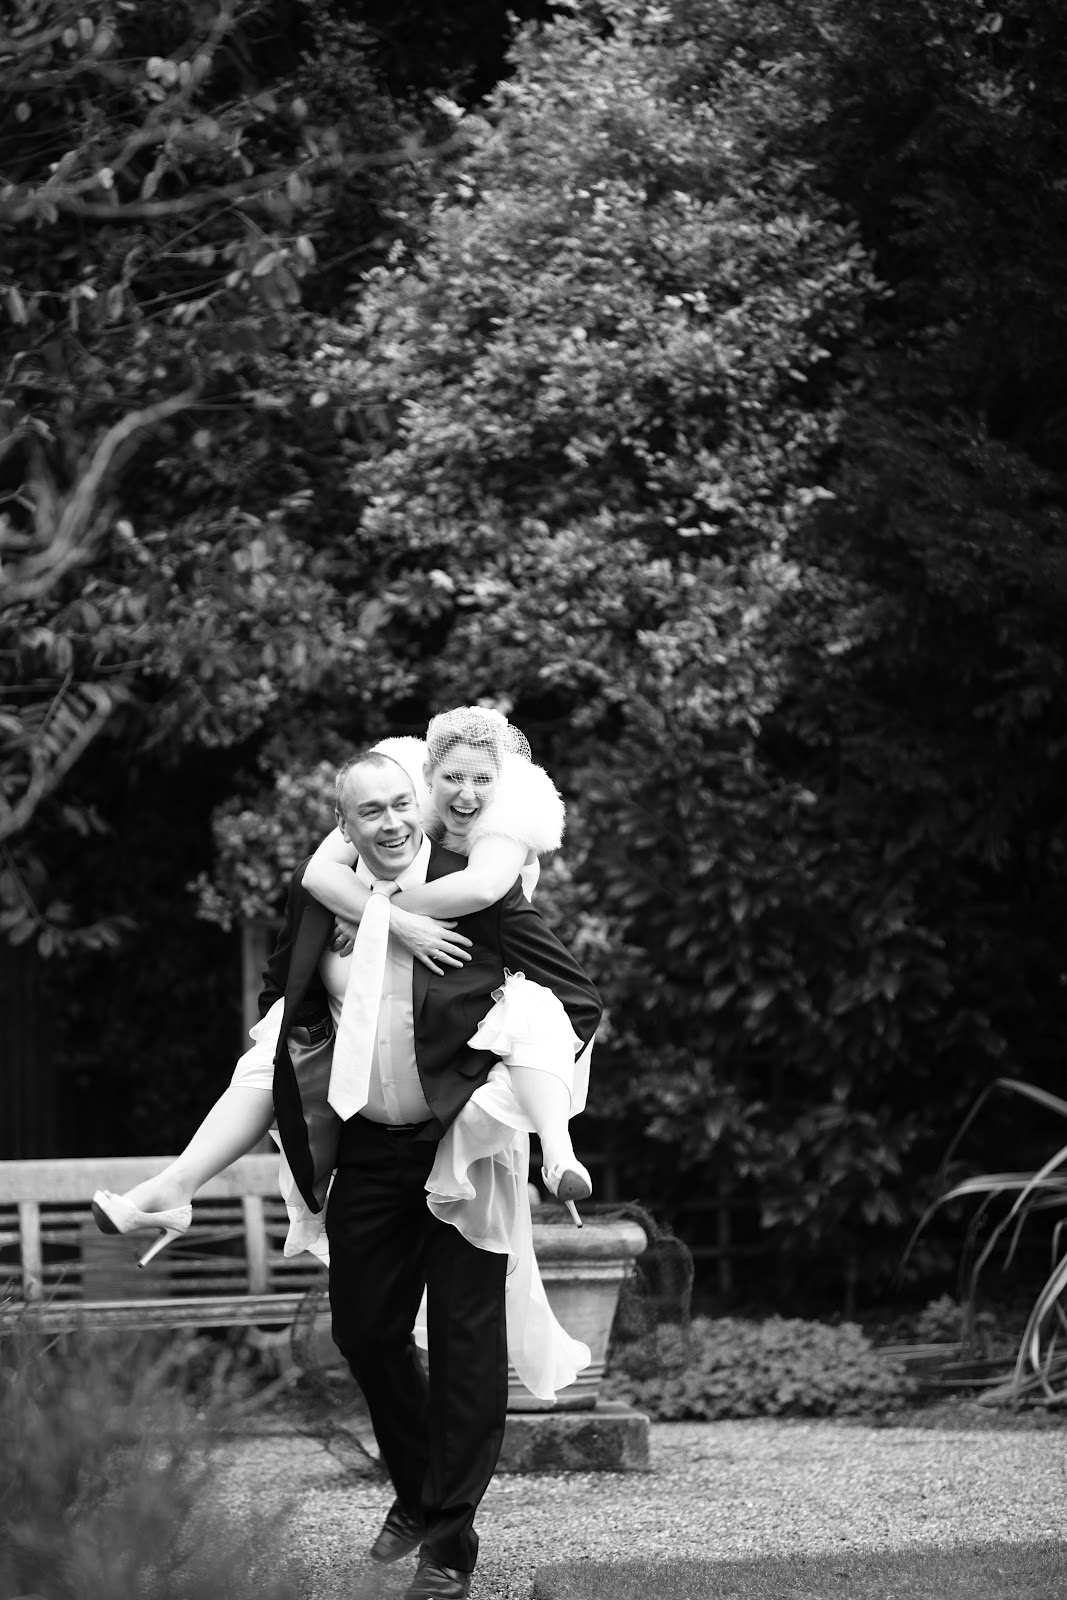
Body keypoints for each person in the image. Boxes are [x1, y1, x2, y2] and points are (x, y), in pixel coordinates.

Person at [263, 746, 603, 1599]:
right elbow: (285, 992)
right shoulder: (326, 897)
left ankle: (448, 1543)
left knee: (463, 1347)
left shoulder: (477, 890)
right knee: (365, 1333)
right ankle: (418, 1492)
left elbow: (577, 1001)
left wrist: (492, 1105)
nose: (388, 823)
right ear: (343, 825)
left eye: (399, 805)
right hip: (368, 1148)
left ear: (419, 805)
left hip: (460, 1151)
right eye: (367, 811)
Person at [91, 708, 592, 1267]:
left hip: (462, 1063)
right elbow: (313, 881)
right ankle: (176, 1186)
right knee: (277, 1043)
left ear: (500, 781)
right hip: (367, 1108)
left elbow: (482, 891)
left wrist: (378, 915)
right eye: (453, 777)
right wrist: (384, 918)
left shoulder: (507, 828)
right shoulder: (384, 824)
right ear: (427, 778)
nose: (468, 792)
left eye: (482, 779)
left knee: (532, 1012)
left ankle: (558, 1155)